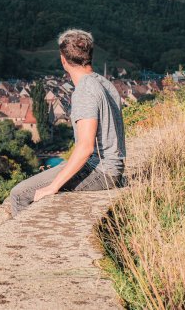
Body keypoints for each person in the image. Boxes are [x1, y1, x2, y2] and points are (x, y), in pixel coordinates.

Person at [9, 29, 126, 217]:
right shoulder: (104, 82)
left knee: (19, 194)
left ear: (63, 60)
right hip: (112, 168)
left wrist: (53, 187)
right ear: (90, 55)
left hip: (100, 171)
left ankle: (30, 244)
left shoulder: (85, 91)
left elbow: (86, 147)